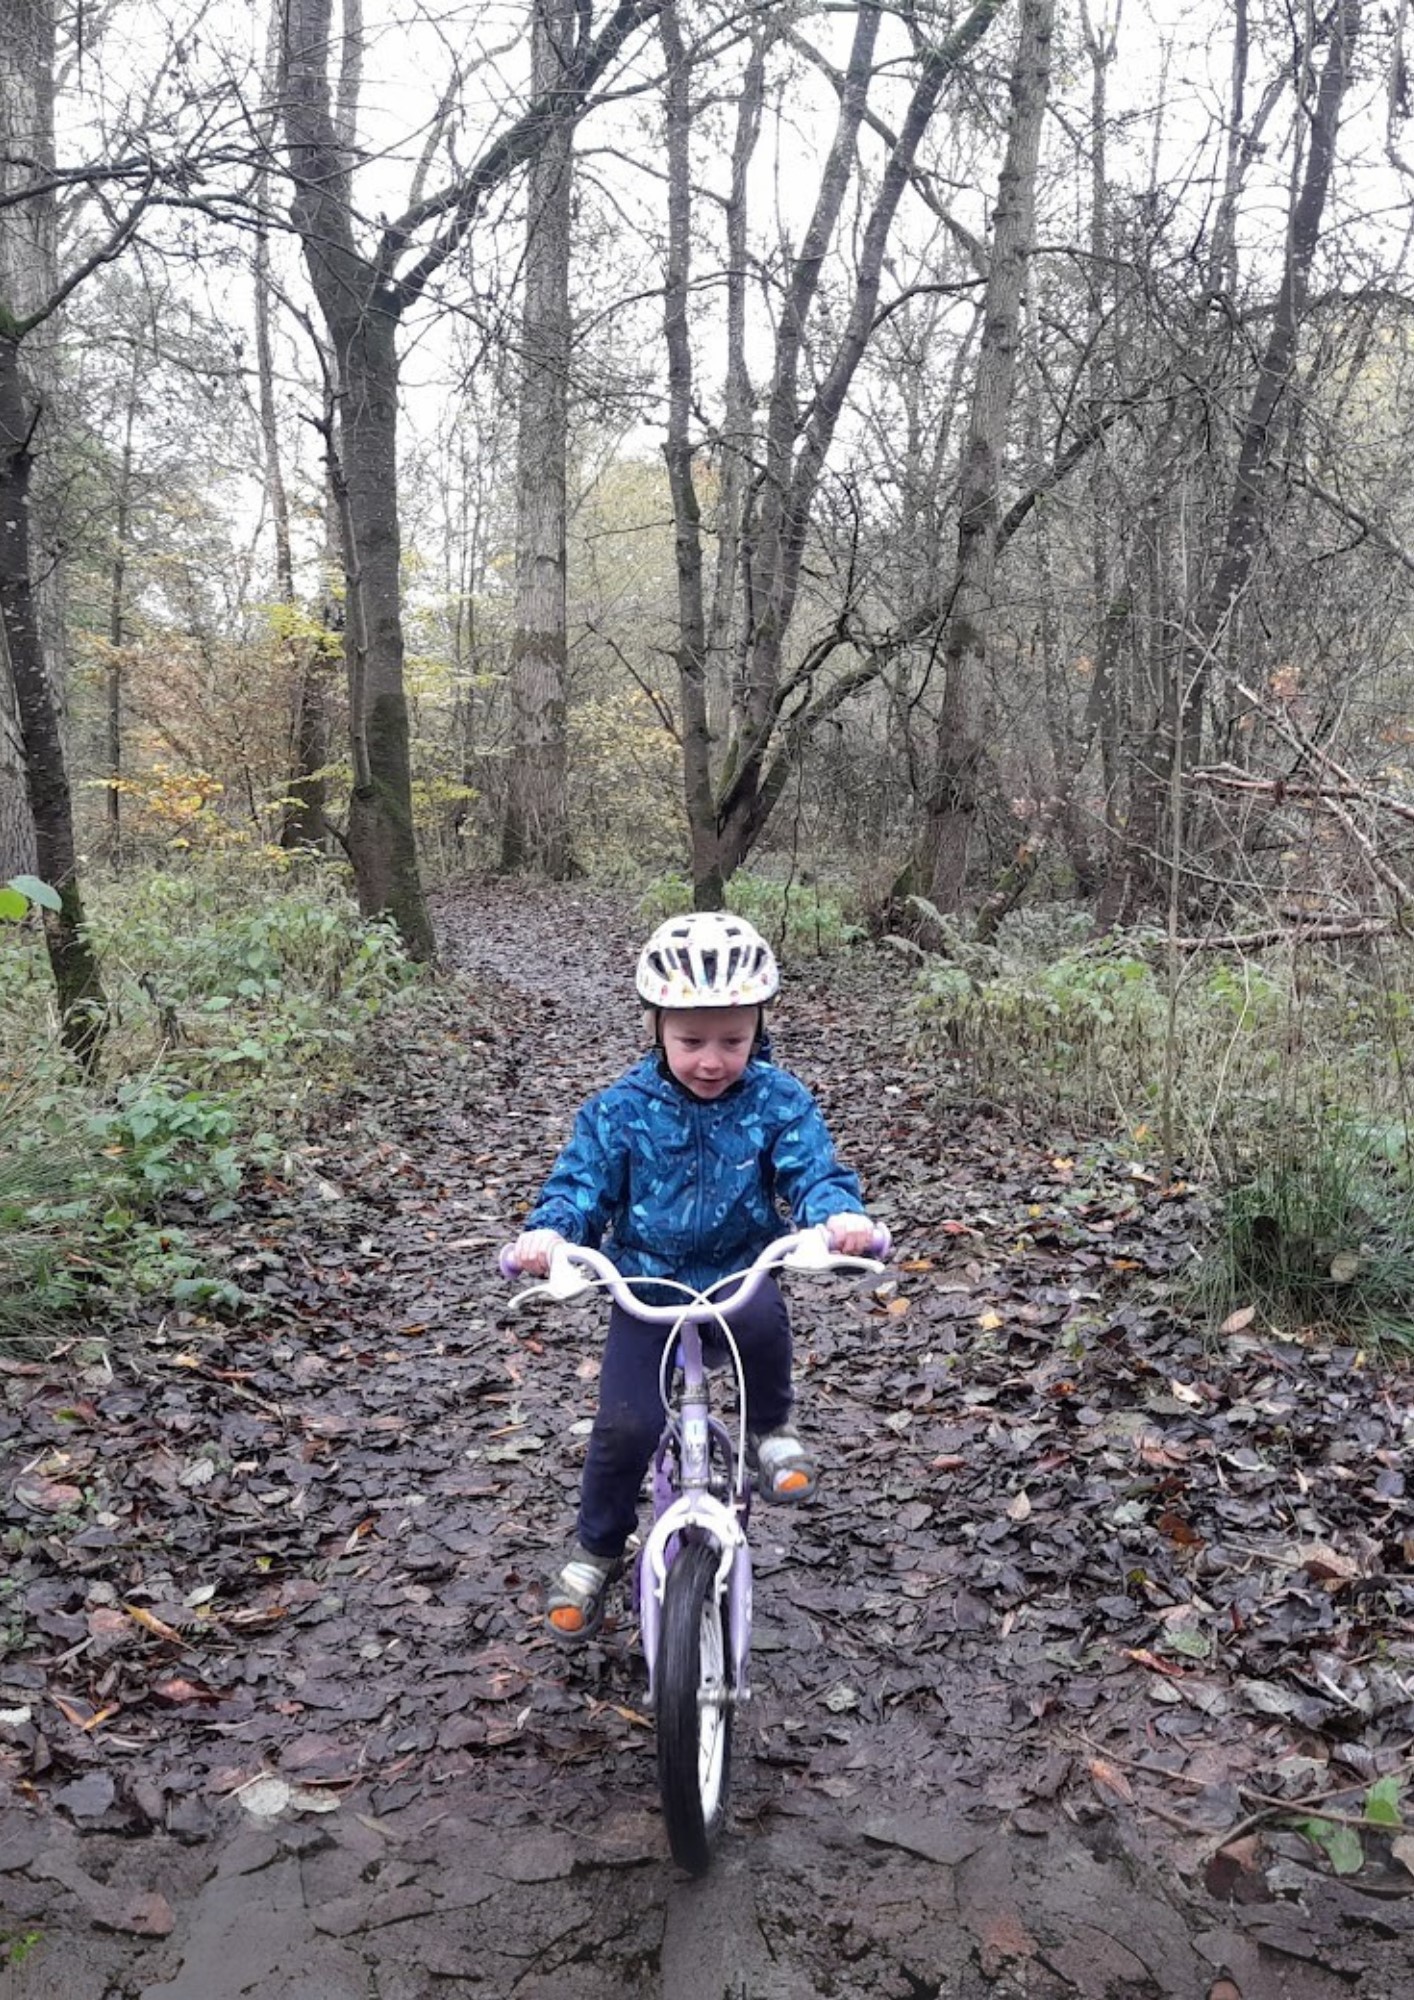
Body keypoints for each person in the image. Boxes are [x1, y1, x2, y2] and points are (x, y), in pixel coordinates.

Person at [510, 910, 880, 1642]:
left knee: (761, 1321)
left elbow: (813, 1171)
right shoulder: (620, 1110)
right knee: (624, 1426)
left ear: (758, 1030)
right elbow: (580, 1187)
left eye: (732, 1041)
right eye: (690, 1041)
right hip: (645, 1285)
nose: (711, 1060)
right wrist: (551, 1234)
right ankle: (596, 1549)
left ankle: (770, 1429)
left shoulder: (779, 1100)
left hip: (739, 1270)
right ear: (656, 1030)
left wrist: (839, 1217)